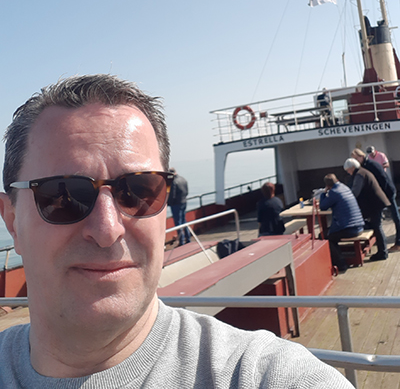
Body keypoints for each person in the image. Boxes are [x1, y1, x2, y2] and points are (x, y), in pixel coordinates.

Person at [0, 75, 354, 388]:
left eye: (138, 190)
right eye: (63, 195)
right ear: (12, 219)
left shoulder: (264, 375)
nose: (107, 229)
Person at [351, 148, 400, 253]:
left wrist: (383, 195)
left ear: (361, 156)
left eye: (355, 158)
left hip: (388, 193)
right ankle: (381, 241)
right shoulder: (364, 166)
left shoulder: (372, 165)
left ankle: (398, 243)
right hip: (383, 194)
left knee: (395, 217)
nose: (354, 161)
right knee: (384, 218)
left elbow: (384, 180)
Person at [344, 158, 391, 261]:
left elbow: (355, 192)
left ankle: (383, 253)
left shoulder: (360, 174)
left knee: (377, 227)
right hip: (376, 202)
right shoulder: (362, 172)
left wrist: (345, 198)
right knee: (376, 226)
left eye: (348, 170)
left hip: (375, 203)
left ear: (352, 167)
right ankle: (382, 252)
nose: (348, 173)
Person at [319, 174, 364, 272]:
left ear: (328, 186)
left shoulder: (334, 192)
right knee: (329, 233)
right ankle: (338, 259)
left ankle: (340, 263)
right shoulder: (345, 188)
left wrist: (323, 193)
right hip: (359, 225)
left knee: (325, 236)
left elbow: (323, 206)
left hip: (349, 228)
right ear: (337, 180)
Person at [167, 168, 191, 246]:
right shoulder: (183, 179)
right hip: (184, 202)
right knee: (183, 220)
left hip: (176, 204)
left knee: (178, 222)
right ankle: (188, 238)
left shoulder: (174, 181)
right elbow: (186, 191)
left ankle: (181, 241)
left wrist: (169, 203)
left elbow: (172, 195)